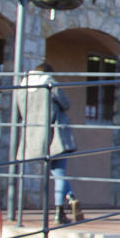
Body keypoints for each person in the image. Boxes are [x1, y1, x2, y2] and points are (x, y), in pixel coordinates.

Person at [15, 62, 80, 224]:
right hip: (54, 134)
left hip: (33, 134)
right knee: (60, 172)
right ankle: (60, 211)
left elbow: (20, 111)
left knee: (55, 172)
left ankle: (71, 196)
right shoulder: (50, 84)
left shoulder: (22, 88)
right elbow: (66, 103)